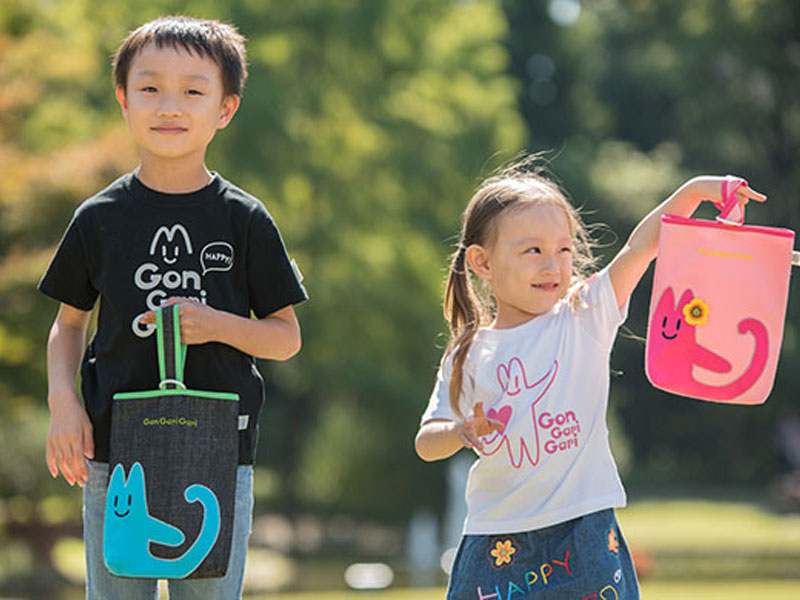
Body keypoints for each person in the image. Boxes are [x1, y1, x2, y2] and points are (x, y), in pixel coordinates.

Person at [39, 16, 307, 599]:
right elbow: (68, 327)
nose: (169, 105)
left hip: (219, 454)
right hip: (115, 457)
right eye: (150, 87)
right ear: (123, 99)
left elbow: (285, 337)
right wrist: (64, 405)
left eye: (193, 90)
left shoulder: (245, 219)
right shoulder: (99, 217)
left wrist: (216, 325)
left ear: (225, 108)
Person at [414, 158, 764, 599]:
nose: (553, 265)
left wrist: (694, 191)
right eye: (532, 251)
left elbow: (640, 247)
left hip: (584, 533)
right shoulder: (468, 354)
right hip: (495, 540)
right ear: (482, 262)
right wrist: (461, 431)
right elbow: (427, 443)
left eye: (563, 250)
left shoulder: (585, 316)